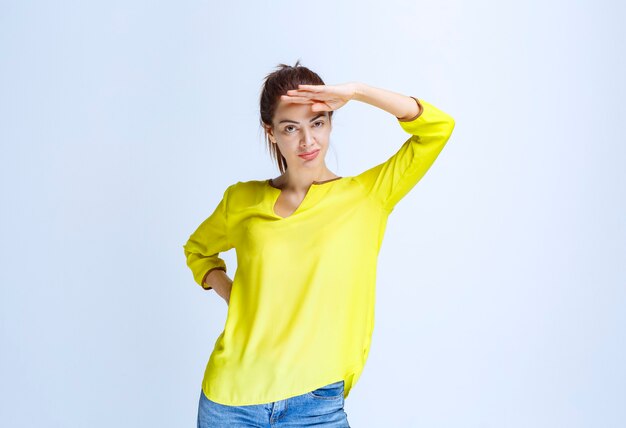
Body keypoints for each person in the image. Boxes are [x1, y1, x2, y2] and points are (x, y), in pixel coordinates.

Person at [183, 60, 456, 427]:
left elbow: (438, 129)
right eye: (291, 128)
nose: (308, 141)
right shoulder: (241, 200)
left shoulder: (367, 196)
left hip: (315, 404)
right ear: (271, 132)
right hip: (229, 401)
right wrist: (234, 295)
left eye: (318, 122)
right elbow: (198, 250)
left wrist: (356, 91)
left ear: (330, 121)